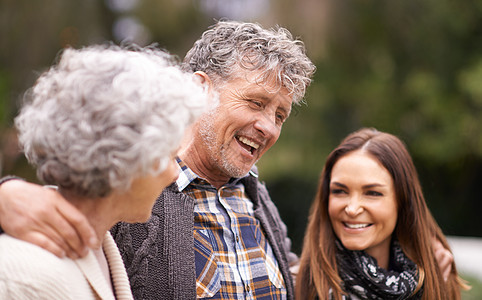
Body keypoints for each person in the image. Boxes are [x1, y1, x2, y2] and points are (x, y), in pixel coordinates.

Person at [0, 21, 453, 299]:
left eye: (280, 115)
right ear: (199, 89)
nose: (270, 128)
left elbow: (296, 276)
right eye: (256, 103)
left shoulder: (253, 194)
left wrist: (401, 260)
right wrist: (6, 196)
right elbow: (70, 208)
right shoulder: (132, 184)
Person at [0, 44, 208, 299]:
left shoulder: (104, 248)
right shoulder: (25, 277)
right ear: (124, 160)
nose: (175, 175)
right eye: (167, 157)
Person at [296, 128, 469, 300]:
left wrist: (433, 283)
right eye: (340, 191)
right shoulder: (293, 285)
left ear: (402, 202)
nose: (352, 208)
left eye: (372, 193)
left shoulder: (435, 280)